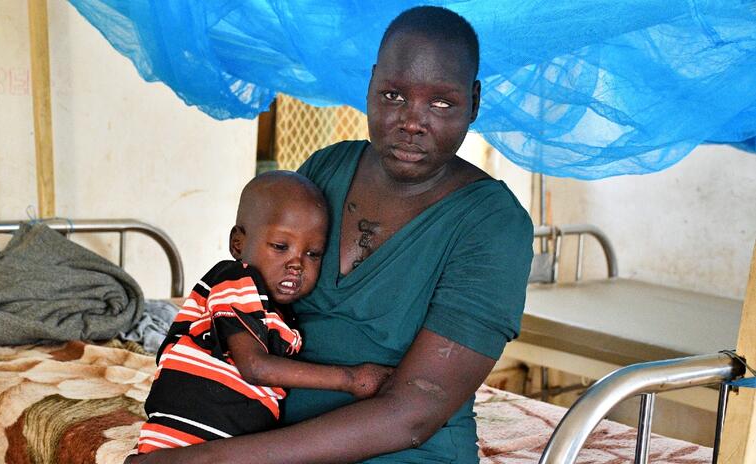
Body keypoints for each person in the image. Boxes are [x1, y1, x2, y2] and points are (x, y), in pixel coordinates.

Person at [126, 5, 533, 463]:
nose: (412, 121)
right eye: (394, 95)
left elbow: (413, 416)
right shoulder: (326, 169)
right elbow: (256, 300)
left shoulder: (492, 224)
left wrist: (203, 460)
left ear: (474, 103)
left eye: (441, 103)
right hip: (262, 427)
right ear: (371, 85)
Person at [136, 170, 393, 453]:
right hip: (182, 446)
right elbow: (255, 367)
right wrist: (352, 379)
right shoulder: (234, 278)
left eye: (313, 254)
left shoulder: (283, 315)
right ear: (238, 243)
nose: (296, 264)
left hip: (230, 447)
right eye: (280, 247)